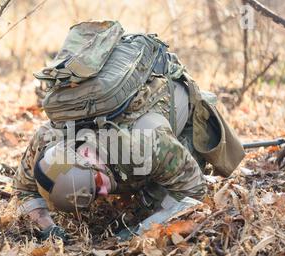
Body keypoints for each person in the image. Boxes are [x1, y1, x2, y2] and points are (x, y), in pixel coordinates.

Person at [12, 21, 245, 242]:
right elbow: (23, 190)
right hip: (119, 137)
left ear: (89, 158)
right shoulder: (47, 139)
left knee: (152, 201)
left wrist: (141, 230)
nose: (102, 193)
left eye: (97, 185)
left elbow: (194, 193)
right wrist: (46, 226)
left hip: (173, 103)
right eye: (94, 193)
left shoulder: (147, 143)